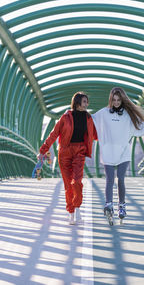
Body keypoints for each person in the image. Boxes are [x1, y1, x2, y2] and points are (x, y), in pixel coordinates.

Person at [92, 87, 144, 224]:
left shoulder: (128, 115)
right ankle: (109, 204)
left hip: (123, 152)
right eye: (114, 100)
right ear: (110, 100)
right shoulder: (103, 113)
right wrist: (74, 113)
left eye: (119, 100)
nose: (116, 102)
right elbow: (90, 120)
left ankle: (122, 205)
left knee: (121, 178)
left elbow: (143, 128)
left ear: (122, 100)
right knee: (110, 179)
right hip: (108, 152)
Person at [38, 92, 97, 225]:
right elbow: (53, 135)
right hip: (64, 153)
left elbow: (96, 134)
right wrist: (43, 151)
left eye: (87, 102)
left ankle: (77, 208)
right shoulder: (65, 117)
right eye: (84, 102)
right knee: (67, 184)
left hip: (80, 151)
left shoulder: (89, 119)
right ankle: (71, 212)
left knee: (76, 181)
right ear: (76, 103)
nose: (87, 104)